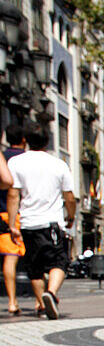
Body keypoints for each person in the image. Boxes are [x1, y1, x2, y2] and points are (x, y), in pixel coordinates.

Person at [6, 123, 73, 320]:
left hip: (28, 223)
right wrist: (71, 216)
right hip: (52, 223)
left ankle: (43, 307)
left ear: (26, 140)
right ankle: (51, 294)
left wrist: (12, 224)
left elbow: (13, 195)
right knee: (59, 262)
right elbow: (69, 196)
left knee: (34, 268)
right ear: (48, 141)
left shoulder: (16, 163)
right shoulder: (58, 164)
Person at [0, 124, 27, 315]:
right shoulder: (25, 159)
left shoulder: (4, 156)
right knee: (32, 257)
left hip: (1, 212)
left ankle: (12, 301)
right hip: (20, 213)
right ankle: (40, 301)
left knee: (9, 258)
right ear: (24, 139)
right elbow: (10, 184)